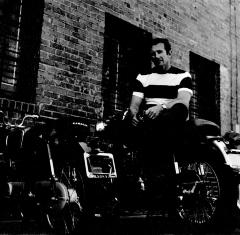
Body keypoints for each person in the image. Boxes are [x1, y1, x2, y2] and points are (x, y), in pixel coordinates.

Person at [129, 37, 193, 175]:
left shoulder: (183, 76)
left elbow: (183, 100)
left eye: (160, 52)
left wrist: (161, 107)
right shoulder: (143, 76)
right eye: (153, 54)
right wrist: (134, 115)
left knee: (179, 109)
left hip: (172, 119)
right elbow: (134, 105)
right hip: (149, 118)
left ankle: (164, 171)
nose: (156, 56)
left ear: (169, 53)